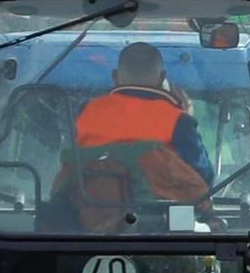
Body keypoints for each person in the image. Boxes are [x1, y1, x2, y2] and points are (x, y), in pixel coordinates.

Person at [74, 43, 215, 189]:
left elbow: (71, 164)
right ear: (162, 78)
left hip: (92, 207)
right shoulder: (178, 120)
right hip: (160, 210)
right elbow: (204, 178)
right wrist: (188, 118)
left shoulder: (87, 111)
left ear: (115, 77)